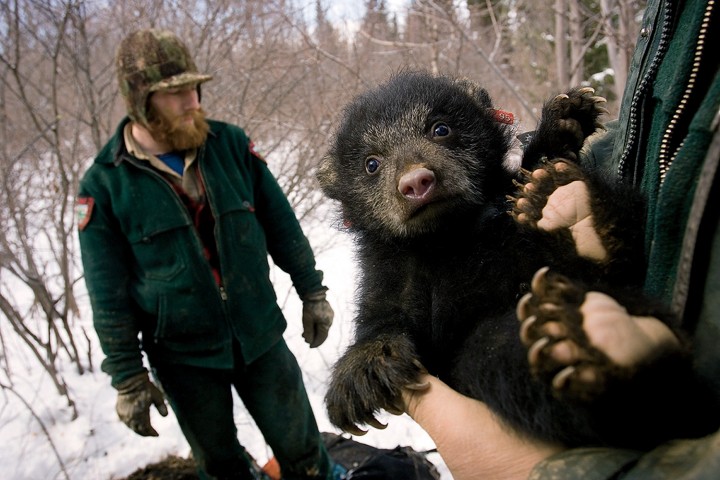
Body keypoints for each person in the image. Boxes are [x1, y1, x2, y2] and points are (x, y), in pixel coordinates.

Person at [403, 0, 720, 478]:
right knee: (501, 346)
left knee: (542, 308)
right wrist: (366, 358)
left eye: (440, 131)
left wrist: (551, 155)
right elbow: (647, 156)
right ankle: (633, 355)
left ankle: (631, 353)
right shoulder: (670, 15)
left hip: (586, 295)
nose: (413, 174)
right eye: (372, 166)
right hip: (559, 320)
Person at [77, 29, 343, 480]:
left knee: (303, 448)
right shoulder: (105, 185)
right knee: (220, 466)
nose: (192, 102)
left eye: (193, 89)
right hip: (183, 356)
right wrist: (127, 377)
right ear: (141, 101)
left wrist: (312, 290)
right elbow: (108, 294)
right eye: (174, 94)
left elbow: (281, 226)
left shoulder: (231, 146)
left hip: (259, 334)